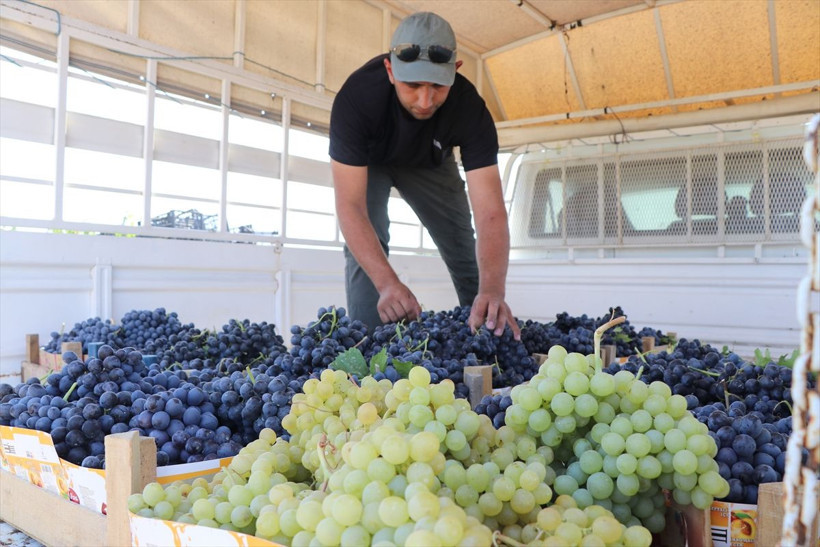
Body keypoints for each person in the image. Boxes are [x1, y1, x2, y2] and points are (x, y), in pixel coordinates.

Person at [328, 11, 520, 340]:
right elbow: (350, 206)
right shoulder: (355, 99)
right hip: (370, 162)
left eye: (437, 86)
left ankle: (486, 334)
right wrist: (388, 283)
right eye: (413, 85)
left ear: (455, 72)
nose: (425, 100)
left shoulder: (470, 109)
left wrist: (494, 290)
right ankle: (369, 348)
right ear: (390, 70)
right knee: (367, 246)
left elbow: (490, 212)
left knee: (462, 243)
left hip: (430, 162)